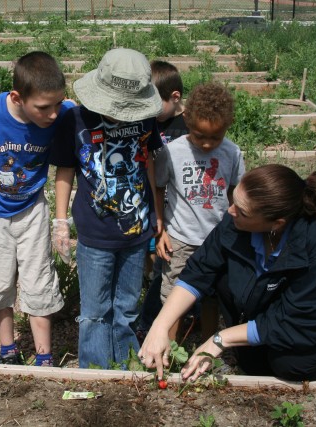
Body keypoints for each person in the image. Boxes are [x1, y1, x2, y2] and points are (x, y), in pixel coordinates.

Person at [139, 164, 316, 381]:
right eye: (234, 202)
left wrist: (220, 339)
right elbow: (201, 269)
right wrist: (160, 326)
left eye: (241, 211)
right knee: (253, 358)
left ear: (276, 223)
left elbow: (303, 321)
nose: (230, 211)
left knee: (291, 364)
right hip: (306, 301)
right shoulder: (246, 210)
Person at [50, 48, 163, 369]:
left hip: (136, 230)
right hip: (95, 235)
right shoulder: (74, 120)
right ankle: (96, 372)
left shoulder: (145, 119)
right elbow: (65, 171)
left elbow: (149, 164)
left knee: (127, 307)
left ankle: (127, 369)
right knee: (95, 311)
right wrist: (60, 220)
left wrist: (156, 214)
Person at [0, 51, 73, 367]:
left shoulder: (61, 112)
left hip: (32, 210)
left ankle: (44, 354)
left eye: (57, 104)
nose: (52, 114)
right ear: (17, 98)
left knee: (38, 278)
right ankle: (8, 348)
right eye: (43, 107)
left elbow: (80, 110)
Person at [153, 82, 245, 343]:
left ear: (227, 127)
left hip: (217, 239)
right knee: (173, 297)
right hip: (180, 238)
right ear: (187, 121)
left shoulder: (232, 153)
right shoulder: (172, 152)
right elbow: (158, 189)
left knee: (213, 295)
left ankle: (207, 348)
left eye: (214, 137)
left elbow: (235, 194)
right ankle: (167, 349)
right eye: (198, 135)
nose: (206, 144)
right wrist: (161, 231)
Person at [137, 60, 189, 340]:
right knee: (151, 250)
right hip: (151, 199)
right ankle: (153, 292)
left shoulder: (189, 125)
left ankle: (160, 310)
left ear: (175, 97)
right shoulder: (148, 123)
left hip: (179, 205)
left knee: (165, 262)